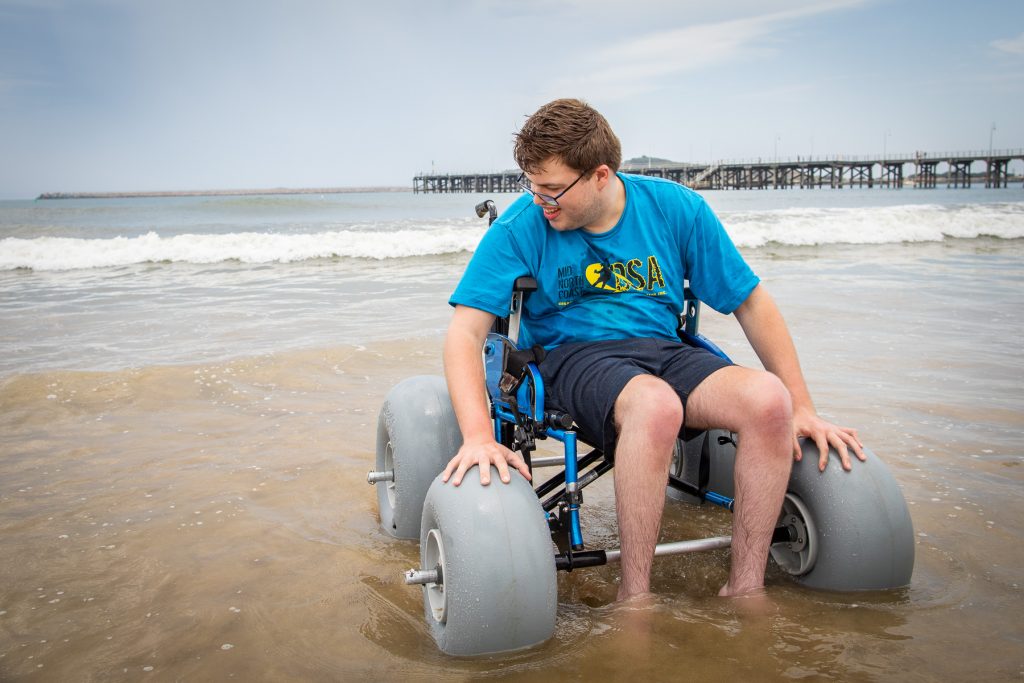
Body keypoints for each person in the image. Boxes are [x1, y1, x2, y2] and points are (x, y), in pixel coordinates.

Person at [441, 98, 864, 601]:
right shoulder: (520, 227)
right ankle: (635, 596)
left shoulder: (675, 208)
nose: (541, 202)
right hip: (572, 356)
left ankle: (746, 588)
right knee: (656, 404)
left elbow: (751, 303)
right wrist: (476, 435)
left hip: (664, 348)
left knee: (769, 400)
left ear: (600, 175)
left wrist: (805, 406)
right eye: (533, 188)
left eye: (553, 190)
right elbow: (465, 334)